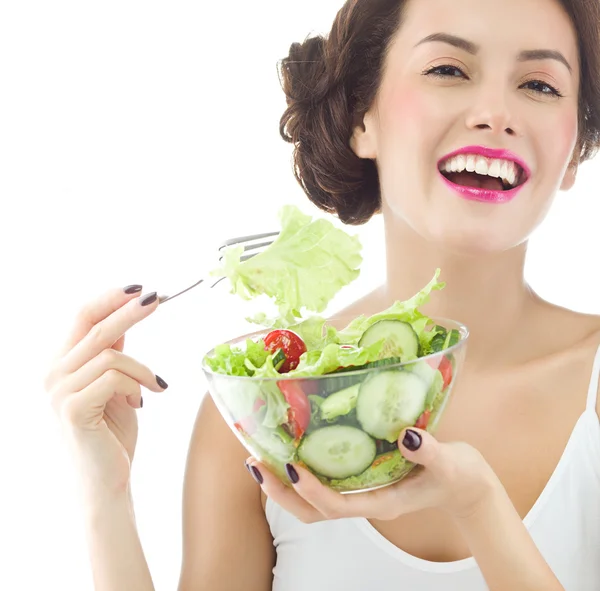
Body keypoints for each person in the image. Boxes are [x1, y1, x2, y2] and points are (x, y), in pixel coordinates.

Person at [43, 0, 600, 589]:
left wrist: (480, 507)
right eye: (448, 70)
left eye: (538, 83)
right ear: (364, 117)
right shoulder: (259, 407)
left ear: (575, 150)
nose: (495, 113)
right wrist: (107, 499)